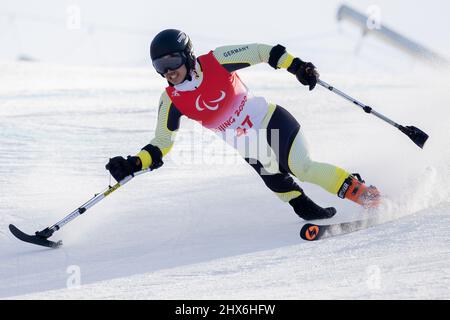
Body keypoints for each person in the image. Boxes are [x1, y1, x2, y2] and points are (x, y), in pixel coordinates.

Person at [106, 29, 380, 221]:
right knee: (288, 194)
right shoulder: (171, 99)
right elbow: (161, 143)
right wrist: (135, 163)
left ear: (187, 55)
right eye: (160, 66)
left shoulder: (216, 61)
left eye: (173, 61)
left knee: (302, 168)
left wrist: (296, 66)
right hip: (251, 146)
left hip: (271, 122)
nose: (169, 71)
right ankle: (325, 204)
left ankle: (366, 195)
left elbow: (263, 52)